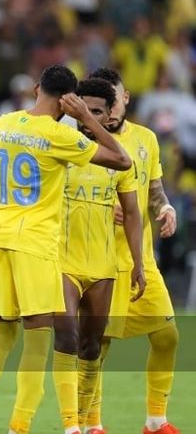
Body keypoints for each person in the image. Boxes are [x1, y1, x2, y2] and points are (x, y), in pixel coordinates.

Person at [0, 65, 132, 434]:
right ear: (68, 101)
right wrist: (86, 116)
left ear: (36, 88)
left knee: (2, 336)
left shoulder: (1, 124)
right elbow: (121, 159)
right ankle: (19, 427)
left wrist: (0, 230)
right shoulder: (58, 136)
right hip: (35, 243)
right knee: (37, 340)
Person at [86, 68, 180, 434]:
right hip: (101, 257)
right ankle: (92, 424)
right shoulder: (84, 144)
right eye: (100, 104)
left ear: (124, 99)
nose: (108, 110)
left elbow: (153, 188)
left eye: (113, 99)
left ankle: (156, 420)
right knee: (99, 344)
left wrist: (165, 208)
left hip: (141, 258)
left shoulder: (146, 139)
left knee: (167, 336)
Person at [56, 77, 146, 432]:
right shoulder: (61, 144)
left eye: (95, 112)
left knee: (92, 346)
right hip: (62, 259)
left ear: (110, 115)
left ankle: (85, 420)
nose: (87, 118)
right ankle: (70, 425)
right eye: (82, 111)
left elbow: (134, 213)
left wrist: (138, 264)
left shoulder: (118, 157)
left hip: (102, 264)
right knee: (67, 338)